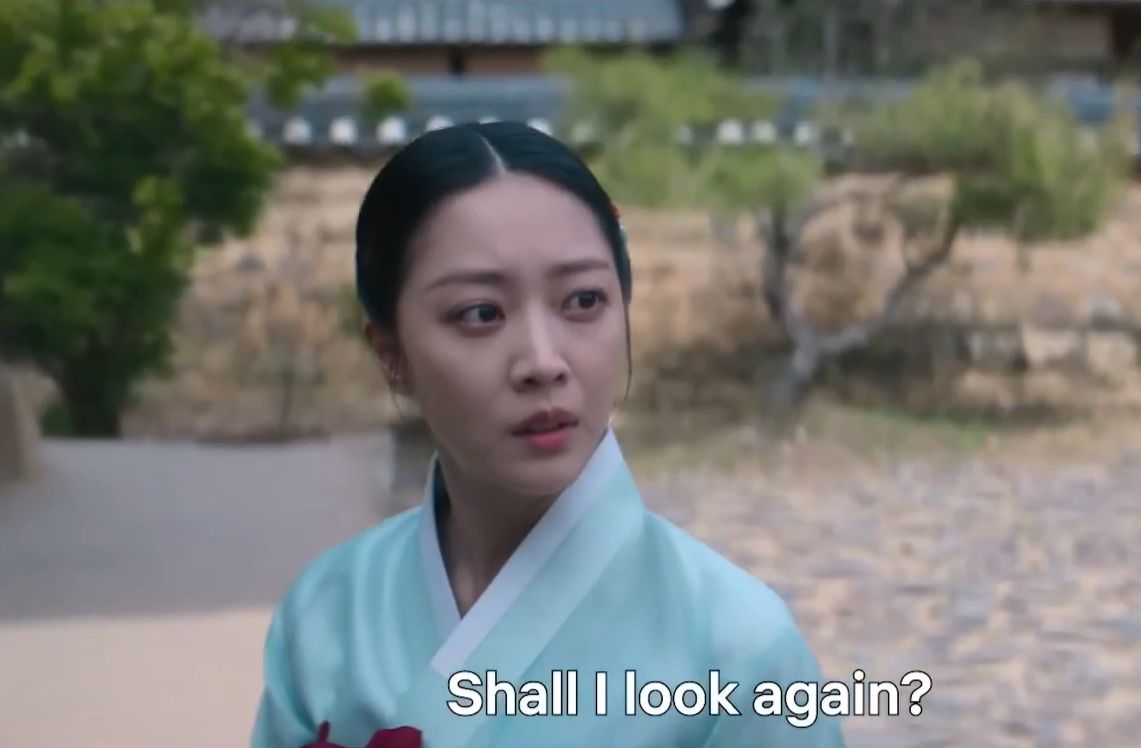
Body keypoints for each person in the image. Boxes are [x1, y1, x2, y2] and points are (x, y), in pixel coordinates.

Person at [251, 121, 844, 748]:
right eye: (480, 313)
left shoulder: (740, 648)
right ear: (391, 353)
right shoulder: (326, 613)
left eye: (583, 301)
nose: (543, 361)